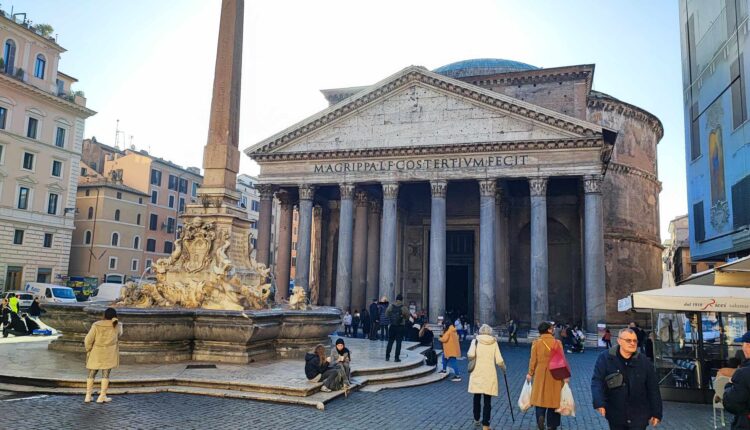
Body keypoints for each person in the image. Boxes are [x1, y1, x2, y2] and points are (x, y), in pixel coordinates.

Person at [591, 328, 662, 430]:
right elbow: (597, 381)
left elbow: (653, 388)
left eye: (635, 341)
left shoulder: (644, 362)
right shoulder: (605, 358)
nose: (632, 343)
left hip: (639, 414)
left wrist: (656, 412)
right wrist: (599, 401)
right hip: (616, 412)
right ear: (619, 341)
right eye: (628, 340)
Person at [527, 321, 569, 430]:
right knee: (554, 400)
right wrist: (565, 375)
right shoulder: (557, 343)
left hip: (540, 372)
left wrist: (530, 373)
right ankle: (552, 425)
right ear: (549, 330)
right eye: (552, 328)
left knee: (540, 398)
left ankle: (540, 416)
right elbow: (562, 360)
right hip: (555, 373)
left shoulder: (536, 343)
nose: (554, 329)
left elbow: (533, 360)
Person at [468, 324, 506, 430]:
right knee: (487, 400)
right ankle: (486, 425)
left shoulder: (475, 341)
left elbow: (470, 355)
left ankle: (476, 419)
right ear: (490, 332)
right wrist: (504, 369)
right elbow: (499, 360)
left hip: (477, 372)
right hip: (489, 373)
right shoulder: (494, 342)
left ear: (480, 331)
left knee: (476, 397)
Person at [84, 307, 123, 403]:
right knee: (106, 374)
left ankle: (88, 396)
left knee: (91, 373)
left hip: (96, 352)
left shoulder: (96, 325)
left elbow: (88, 340)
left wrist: (88, 349)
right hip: (109, 352)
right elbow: (120, 334)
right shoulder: (118, 325)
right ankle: (102, 396)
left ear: (104, 315)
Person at [723, 332, 750, 429]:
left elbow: (731, 403)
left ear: (748, 346)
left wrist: (729, 385)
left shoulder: (743, 373)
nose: (742, 348)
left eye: (743, 344)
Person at [385, 294, 410, 362]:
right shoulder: (403, 307)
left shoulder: (391, 306)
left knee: (390, 342)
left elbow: (386, 314)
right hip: (400, 327)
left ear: (396, 299)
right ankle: (396, 358)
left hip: (392, 326)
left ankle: (387, 356)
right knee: (398, 343)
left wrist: (391, 318)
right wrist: (403, 317)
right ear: (402, 299)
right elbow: (408, 316)